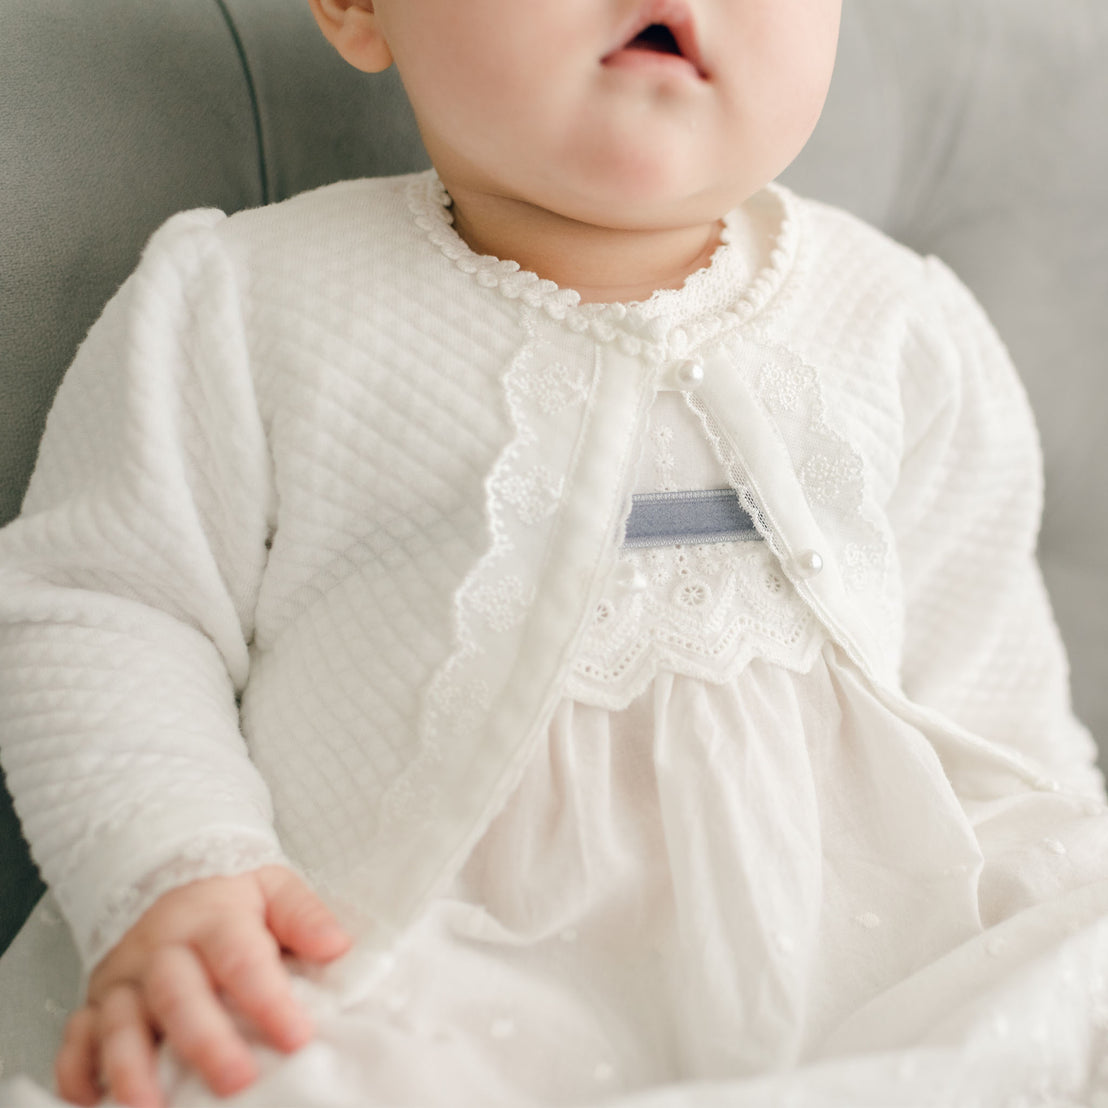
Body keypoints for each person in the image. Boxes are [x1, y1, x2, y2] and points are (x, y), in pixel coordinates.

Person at [2, 0, 1108, 1104]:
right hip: (415, 980)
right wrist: (176, 865)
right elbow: (108, 605)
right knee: (257, 1063)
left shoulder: (905, 327)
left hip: (871, 972)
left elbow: (995, 706)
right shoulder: (248, 302)